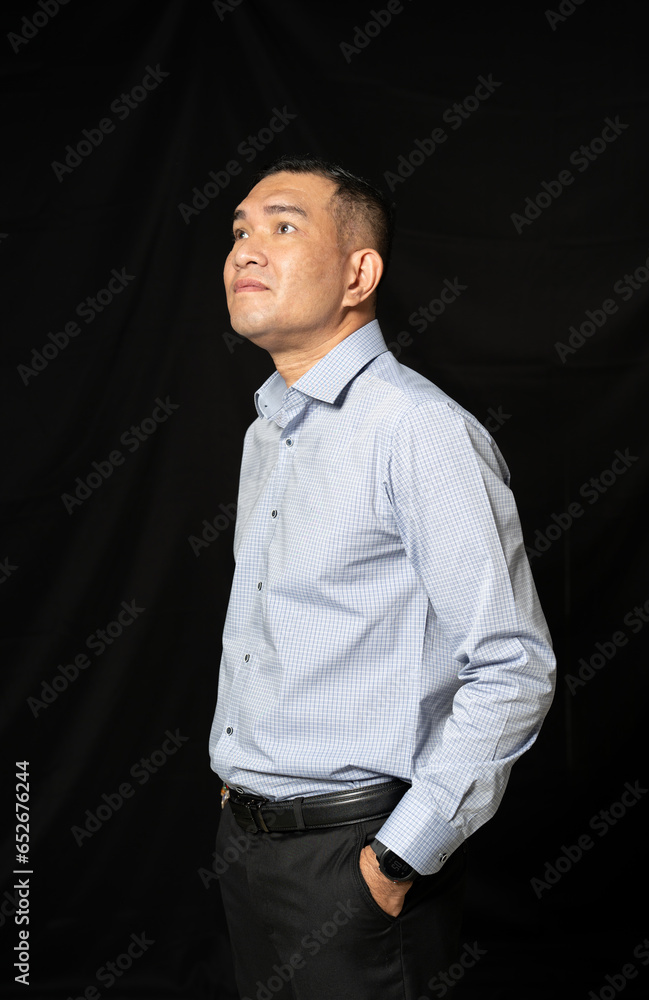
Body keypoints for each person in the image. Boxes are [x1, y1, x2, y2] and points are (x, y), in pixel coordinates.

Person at [209, 154, 556, 1000]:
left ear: (359, 274)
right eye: (239, 231)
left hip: (354, 859)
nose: (246, 249)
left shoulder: (417, 430)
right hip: (247, 846)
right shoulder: (265, 431)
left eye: (282, 227)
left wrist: (396, 859)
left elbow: (514, 668)